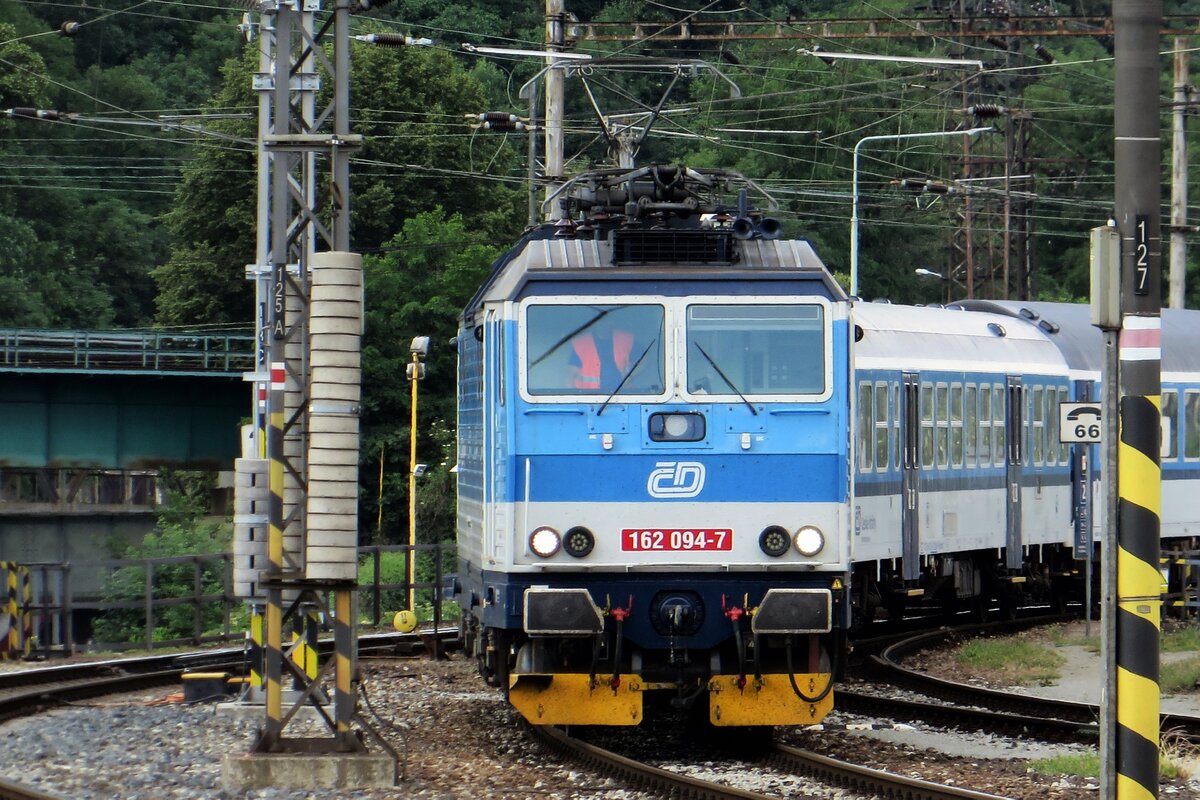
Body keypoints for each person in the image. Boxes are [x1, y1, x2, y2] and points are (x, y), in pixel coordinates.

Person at [568, 326, 634, 391]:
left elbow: (642, 359)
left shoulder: (624, 340)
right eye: (600, 321)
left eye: (606, 320)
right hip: (589, 397)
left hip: (622, 396)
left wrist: (632, 375)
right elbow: (571, 377)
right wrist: (576, 399)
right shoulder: (582, 343)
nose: (603, 324)